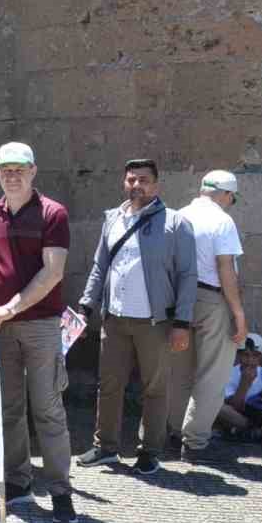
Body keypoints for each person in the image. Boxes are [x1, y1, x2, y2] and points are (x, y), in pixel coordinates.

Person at [0, 141, 76, 523]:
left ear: (33, 171)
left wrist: (10, 307)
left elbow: (53, 271)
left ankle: (60, 491)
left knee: (47, 409)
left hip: (39, 324)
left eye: (19, 169)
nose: (12, 175)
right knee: (6, 409)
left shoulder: (53, 214)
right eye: (6, 169)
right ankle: (17, 481)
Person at [77, 158, 197, 478]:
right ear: (124, 182)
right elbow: (100, 266)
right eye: (131, 179)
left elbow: (187, 275)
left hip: (154, 322)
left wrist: (182, 322)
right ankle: (106, 447)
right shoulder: (112, 219)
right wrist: (87, 305)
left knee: (155, 388)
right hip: (114, 318)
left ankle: (150, 451)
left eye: (143, 180)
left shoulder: (175, 223)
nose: (136, 185)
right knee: (109, 384)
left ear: (156, 185)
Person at [168, 171, 248, 462]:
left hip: (179, 300)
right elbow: (226, 268)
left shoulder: (177, 217)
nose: (231, 203)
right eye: (232, 198)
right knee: (213, 374)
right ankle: (195, 442)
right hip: (213, 299)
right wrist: (238, 313)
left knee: (179, 372)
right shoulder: (222, 221)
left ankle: (174, 431)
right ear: (226, 194)